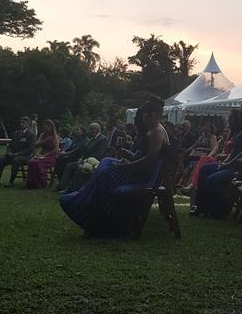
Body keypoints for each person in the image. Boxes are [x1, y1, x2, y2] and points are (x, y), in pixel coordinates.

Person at [60, 98, 169, 236]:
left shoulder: (156, 132)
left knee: (104, 176)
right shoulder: (152, 130)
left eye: (151, 113)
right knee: (106, 163)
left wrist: (127, 166)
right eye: (145, 113)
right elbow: (141, 156)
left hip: (143, 177)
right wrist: (126, 154)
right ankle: (89, 208)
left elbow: (150, 160)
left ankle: (100, 219)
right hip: (138, 170)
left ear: (159, 114)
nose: (146, 116)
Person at [191, 102, 242, 218]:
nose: (239, 115)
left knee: (212, 179)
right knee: (205, 169)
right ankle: (201, 206)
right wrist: (225, 163)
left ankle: (220, 210)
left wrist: (228, 163)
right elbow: (234, 150)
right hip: (233, 165)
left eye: (241, 112)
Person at [58, 122, 109, 192]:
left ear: (96, 130)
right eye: (89, 129)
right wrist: (81, 158)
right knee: (69, 165)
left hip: (95, 163)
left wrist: (86, 160)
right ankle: (63, 186)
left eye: (91, 129)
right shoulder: (92, 139)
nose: (89, 131)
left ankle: (71, 189)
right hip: (85, 160)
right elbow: (85, 151)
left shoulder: (103, 139)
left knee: (80, 168)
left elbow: (100, 154)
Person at [0, 116, 36, 186]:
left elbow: (30, 149)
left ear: (28, 124)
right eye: (21, 122)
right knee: (0, 159)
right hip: (12, 155)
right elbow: (10, 145)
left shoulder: (31, 135)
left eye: (24, 123)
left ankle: (11, 181)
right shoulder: (16, 133)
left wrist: (17, 154)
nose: (21, 124)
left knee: (16, 160)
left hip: (25, 156)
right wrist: (9, 152)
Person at [26, 119, 60, 188]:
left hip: (51, 156)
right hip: (42, 154)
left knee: (37, 163)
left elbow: (56, 149)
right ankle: (32, 182)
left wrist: (46, 155)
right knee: (31, 162)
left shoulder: (55, 136)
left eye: (47, 126)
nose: (45, 128)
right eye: (44, 126)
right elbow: (36, 145)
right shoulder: (42, 135)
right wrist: (44, 141)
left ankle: (41, 183)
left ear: (51, 127)